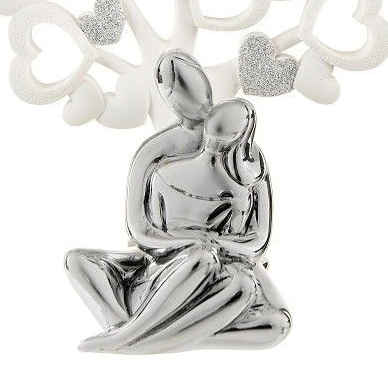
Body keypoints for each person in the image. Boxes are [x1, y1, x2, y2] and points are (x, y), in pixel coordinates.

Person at [65, 50, 290, 353]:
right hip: (170, 260)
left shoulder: (253, 165)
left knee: (275, 322)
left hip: (232, 264)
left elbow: (258, 241)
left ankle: (141, 338)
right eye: (177, 87)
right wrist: (190, 245)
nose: (192, 98)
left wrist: (216, 245)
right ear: (168, 98)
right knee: (77, 261)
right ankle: (136, 330)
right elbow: (140, 230)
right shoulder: (155, 155)